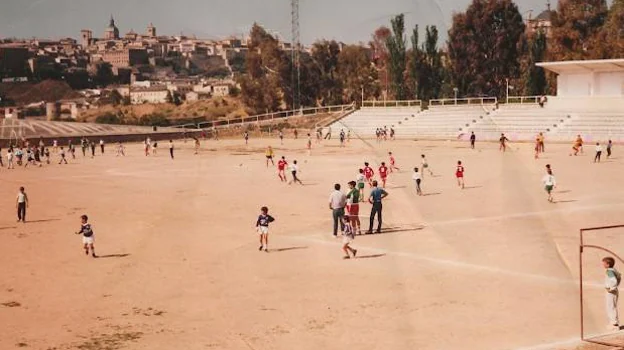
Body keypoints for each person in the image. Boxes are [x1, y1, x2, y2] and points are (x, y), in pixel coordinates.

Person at [603, 256, 621, 331]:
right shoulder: (614, 270)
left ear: (608, 264)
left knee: (610, 307)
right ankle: (613, 322)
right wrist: (615, 287)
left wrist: (611, 288)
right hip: (614, 291)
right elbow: (619, 277)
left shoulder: (609, 271)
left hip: (611, 292)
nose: (603, 265)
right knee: (612, 306)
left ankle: (614, 323)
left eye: (604, 263)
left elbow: (614, 281)